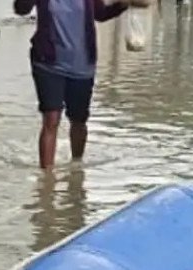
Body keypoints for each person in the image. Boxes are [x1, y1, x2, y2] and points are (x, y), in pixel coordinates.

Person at [14, 0, 132, 169]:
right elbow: (21, 9)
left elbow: (100, 14)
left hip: (82, 66)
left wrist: (122, 5)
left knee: (79, 120)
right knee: (51, 118)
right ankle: (47, 179)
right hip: (48, 63)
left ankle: (77, 166)